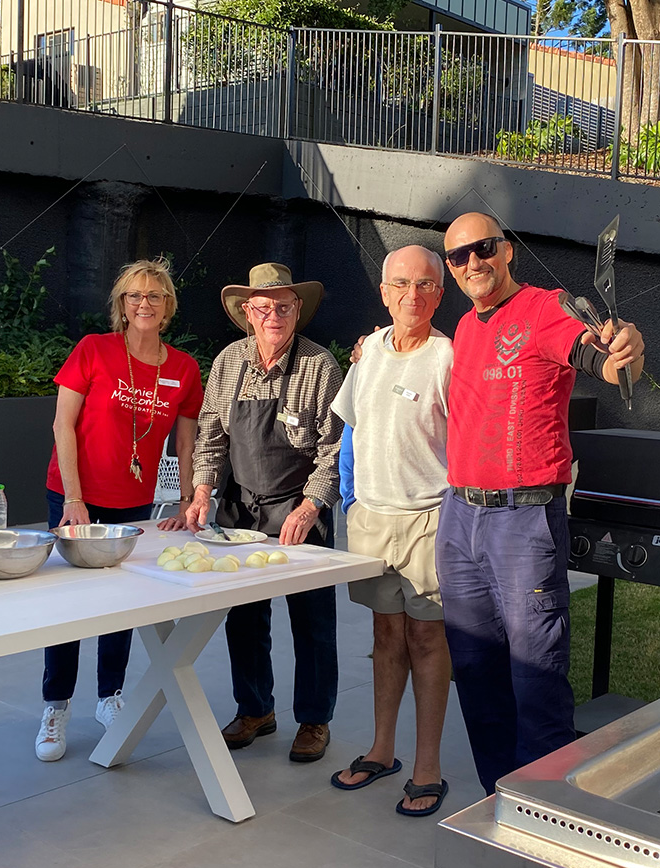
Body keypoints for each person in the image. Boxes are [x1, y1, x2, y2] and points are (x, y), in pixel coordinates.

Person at [436, 212, 645, 794]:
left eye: (484, 248)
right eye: (459, 256)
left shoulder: (545, 307)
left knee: (536, 675)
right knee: (475, 671)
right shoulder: (466, 327)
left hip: (522, 516)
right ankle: (497, 799)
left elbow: (601, 358)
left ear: (507, 251)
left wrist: (625, 351)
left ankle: (546, 810)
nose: (473, 263)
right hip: (459, 515)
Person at [36, 257, 203, 762]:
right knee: (69, 605)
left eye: (154, 295)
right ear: (122, 306)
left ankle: (110, 695)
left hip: (133, 501)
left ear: (168, 306)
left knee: (122, 604)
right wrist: (73, 497)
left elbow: (186, 442)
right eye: (134, 295)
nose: (144, 303)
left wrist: (186, 499)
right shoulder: (93, 349)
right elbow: (62, 425)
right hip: (75, 498)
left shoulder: (183, 368)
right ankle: (56, 704)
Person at [185, 262, 343, 763]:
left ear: (298, 310)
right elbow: (211, 434)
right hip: (241, 506)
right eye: (264, 307)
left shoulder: (320, 365)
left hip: (299, 505)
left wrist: (311, 505)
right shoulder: (228, 361)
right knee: (245, 618)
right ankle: (255, 709)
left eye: (284, 306)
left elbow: (335, 449)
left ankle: (314, 719)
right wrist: (202, 491)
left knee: (312, 622)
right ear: (247, 313)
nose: (274, 315)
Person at [329, 245, 454, 817]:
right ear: (383, 293)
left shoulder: (447, 357)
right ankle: (382, 750)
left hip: (429, 520)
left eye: (425, 284)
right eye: (400, 283)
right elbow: (351, 431)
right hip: (372, 520)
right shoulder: (369, 352)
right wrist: (351, 498)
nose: (412, 295)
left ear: (440, 294)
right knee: (385, 637)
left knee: (427, 640)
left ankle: (427, 767)